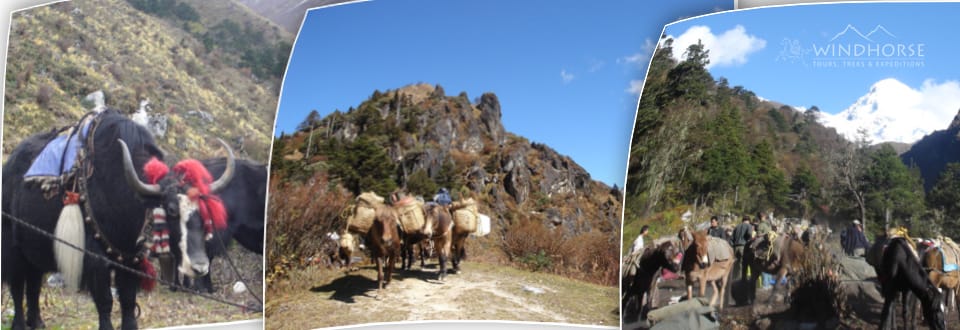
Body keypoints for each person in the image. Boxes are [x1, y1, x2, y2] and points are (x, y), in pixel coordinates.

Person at [731, 216, 754, 281]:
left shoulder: (736, 227)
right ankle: (740, 279)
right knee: (742, 263)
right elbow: (749, 234)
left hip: (735, 247)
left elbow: (731, 238)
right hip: (743, 246)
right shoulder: (748, 225)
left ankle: (734, 279)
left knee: (735, 264)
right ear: (748, 221)